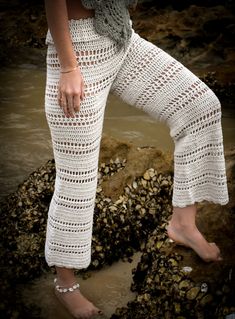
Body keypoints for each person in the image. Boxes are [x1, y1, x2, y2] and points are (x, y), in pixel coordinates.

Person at [44, 0, 229, 318]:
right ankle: (64, 285)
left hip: (121, 38)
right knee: (77, 177)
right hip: (78, 54)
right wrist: (69, 67)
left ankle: (183, 224)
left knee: (200, 106)